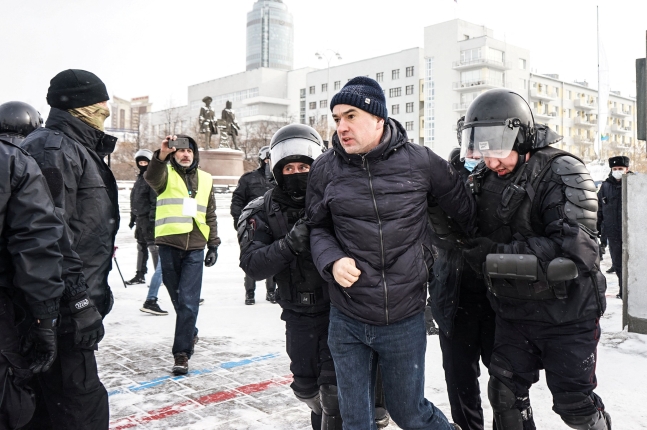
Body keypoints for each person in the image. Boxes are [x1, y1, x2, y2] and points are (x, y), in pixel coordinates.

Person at [307, 76, 475, 429]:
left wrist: (431, 253)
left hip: (403, 316)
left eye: (350, 116)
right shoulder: (325, 168)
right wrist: (332, 260)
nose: (341, 127)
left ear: (378, 118)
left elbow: (465, 212)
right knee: (355, 420)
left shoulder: (422, 162)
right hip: (348, 317)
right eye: (337, 119)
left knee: (410, 413)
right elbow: (317, 227)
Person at [458, 88, 610, 430]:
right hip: (514, 311)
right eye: (483, 151)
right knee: (505, 396)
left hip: (567, 314)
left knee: (575, 405)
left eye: (498, 150)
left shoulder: (563, 170)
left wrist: (492, 257)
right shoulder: (484, 176)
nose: (491, 161)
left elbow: (576, 252)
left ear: (522, 137)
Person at [239, 124, 389, 429]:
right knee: (308, 391)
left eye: (304, 166)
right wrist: (288, 244)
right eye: (290, 167)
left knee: (334, 394)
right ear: (277, 169)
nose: (297, 172)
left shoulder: (338, 201)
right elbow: (253, 265)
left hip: (341, 311)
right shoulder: (262, 210)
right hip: (298, 315)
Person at [21, 69, 116, 429]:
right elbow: (46, 236)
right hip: (58, 310)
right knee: (77, 408)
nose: (105, 109)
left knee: (56, 404)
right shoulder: (53, 149)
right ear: (79, 106)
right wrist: (77, 301)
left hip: (69, 306)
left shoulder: (77, 148)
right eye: (100, 104)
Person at [0, 101, 64, 429]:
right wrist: (46, 318)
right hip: (6, 307)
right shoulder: (18, 162)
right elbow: (36, 244)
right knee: (12, 398)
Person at [427, 147, 496, 430]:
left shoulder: (503, 177)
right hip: (453, 301)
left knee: (507, 385)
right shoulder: (444, 180)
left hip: (497, 302)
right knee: (459, 383)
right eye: (470, 150)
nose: (475, 155)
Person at [145, 134, 220, 375]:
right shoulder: (165, 174)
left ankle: (182, 353)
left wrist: (214, 245)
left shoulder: (206, 179)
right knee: (178, 299)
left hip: (196, 247)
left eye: (189, 151)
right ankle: (191, 332)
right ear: (174, 154)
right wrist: (162, 155)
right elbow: (151, 176)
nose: (185, 154)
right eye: (180, 151)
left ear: (194, 154)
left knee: (188, 300)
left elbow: (210, 214)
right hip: (169, 244)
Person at [231, 145, 276, 305]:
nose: (268, 162)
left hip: (273, 225)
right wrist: (240, 222)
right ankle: (249, 293)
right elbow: (237, 201)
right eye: (266, 159)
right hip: (252, 226)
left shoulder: (278, 178)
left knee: (272, 258)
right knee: (251, 259)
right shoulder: (248, 179)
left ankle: (271, 291)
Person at [597, 156, 629, 299]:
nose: (617, 171)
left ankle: (630, 291)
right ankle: (623, 290)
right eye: (615, 169)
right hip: (613, 232)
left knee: (631, 263)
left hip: (630, 233)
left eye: (620, 169)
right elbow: (598, 209)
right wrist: (597, 227)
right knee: (617, 263)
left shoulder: (633, 184)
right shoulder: (605, 186)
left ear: (626, 169)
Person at [125, 149, 158, 286]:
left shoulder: (151, 179)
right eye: (140, 162)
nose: (142, 164)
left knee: (153, 247)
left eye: (145, 162)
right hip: (140, 219)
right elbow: (135, 199)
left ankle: (159, 274)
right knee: (141, 246)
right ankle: (140, 274)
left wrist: (152, 218)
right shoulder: (139, 178)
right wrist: (133, 217)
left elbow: (154, 200)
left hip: (149, 219)